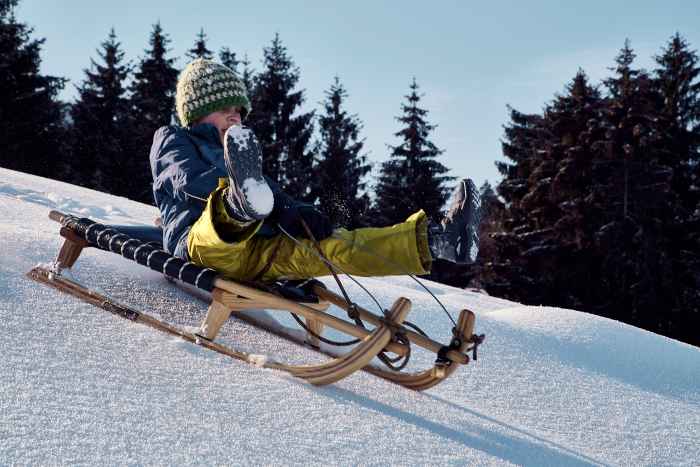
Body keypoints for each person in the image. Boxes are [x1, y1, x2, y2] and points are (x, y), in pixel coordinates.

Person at [150, 58, 480, 283]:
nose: (234, 117)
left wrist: (297, 212)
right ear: (194, 114)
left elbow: (275, 199)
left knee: (334, 244)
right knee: (224, 214)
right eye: (223, 110)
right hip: (199, 247)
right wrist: (268, 205)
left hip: (258, 254)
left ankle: (440, 241)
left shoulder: (240, 158)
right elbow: (187, 181)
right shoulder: (173, 140)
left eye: (238, 111)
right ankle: (237, 205)